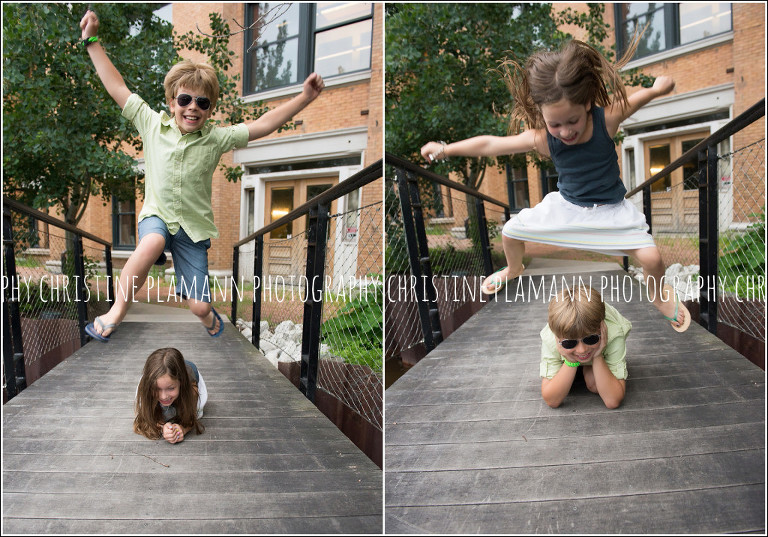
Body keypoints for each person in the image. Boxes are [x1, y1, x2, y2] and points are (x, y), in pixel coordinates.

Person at [80, 9, 325, 342]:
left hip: (193, 230)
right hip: (157, 216)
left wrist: (305, 98)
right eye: (184, 99)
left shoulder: (216, 138)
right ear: (171, 101)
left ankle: (207, 314)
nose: (192, 106)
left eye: (202, 102)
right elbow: (116, 85)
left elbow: (264, 124)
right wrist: (92, 41)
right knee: (152, 241)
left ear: (210, 109)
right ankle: (115, 312)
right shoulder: (152, 124)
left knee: (197, 305)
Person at [420, 37, 690, 333]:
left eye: (572, 121)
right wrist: (446, 148)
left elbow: (638, 98)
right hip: (568, 207)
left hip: (612, 210)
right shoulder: (544, 139)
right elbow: (491, 144)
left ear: (588, 104)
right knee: (510, 232)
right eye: (555, 124)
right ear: (544, 117)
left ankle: (657, 294)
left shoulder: (607, 120)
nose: (565, 132)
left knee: (652, 258)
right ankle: (513, 269)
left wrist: (657, 89)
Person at [540, 286, 630, 409]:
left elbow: (612, 400)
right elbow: (552, 400)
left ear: (601, 329)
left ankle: (587, 364)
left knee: (593, 383)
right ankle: (583, 362)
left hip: (599, 350)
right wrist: (570, 361)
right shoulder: (551, 339)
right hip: (577, 352)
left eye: (590, 339)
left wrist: (598, 356)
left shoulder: (613, 334)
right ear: (558, 338)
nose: (582, 350)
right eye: (569, 343)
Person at [134, 347, 207, 443]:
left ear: (181, 383)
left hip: (188, 373)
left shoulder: (193, 391)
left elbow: (192, 417)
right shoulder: (144, 390)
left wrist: (182, 429)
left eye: (171, 388)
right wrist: (161, 427)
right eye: (156, 389)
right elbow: (144, 417)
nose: (163, 396)